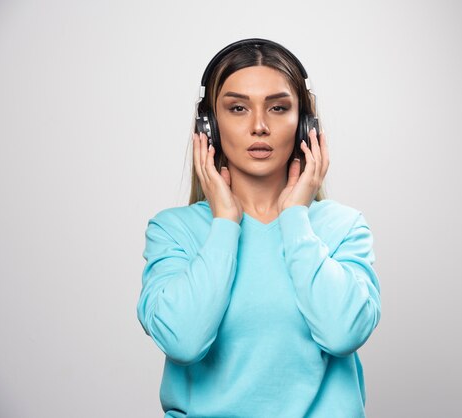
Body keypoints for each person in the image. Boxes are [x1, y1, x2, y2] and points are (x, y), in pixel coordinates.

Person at [137, 38, 381, 418]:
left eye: (278, 108)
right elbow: (183, 341)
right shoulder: (173, 230)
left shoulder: (342, 227)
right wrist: (224, 224)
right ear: (210, 127)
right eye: (237, 108)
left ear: (304, 125)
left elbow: (342, 334)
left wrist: (296, 219)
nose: (259, 126)